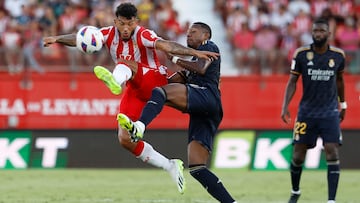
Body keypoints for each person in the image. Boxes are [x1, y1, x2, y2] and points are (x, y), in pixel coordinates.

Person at [43, 2, 219, 194]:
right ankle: (169, 165)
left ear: (136, 21)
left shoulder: (143, 34)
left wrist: (194, 52)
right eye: (122, 24)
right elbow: (80, 38)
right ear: (115, 21)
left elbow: (167, 45)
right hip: (134, 87)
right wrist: (57, 38)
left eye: (130, 24)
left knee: (126, 62)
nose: (126, 29)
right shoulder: (108, 33)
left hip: (154, 79)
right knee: (125, 139)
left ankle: (114, 81)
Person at [117, 22, 237, 203]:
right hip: (207, 110)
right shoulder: (193, 62)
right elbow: (174, 79)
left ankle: (140, 127)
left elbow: (201, 68)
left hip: (206, 95)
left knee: (161, 93)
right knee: (197, 168)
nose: (188, 35)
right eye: (187, 32)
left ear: (205, 35)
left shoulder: (209, 47)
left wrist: (173, 59)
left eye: (193, 32)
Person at [281, 18, 346, 203]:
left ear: (328, 34)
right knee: (298, 155)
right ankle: (295, 191)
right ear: (312, 32)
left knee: (332, 150)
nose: (318, 34)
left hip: (329, 112)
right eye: (315, 31)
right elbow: (292, 81)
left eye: (322, 31)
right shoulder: (301, 54)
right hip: (306, 112)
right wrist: (285, 106)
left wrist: (344, 104)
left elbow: (340, 81)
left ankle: (331, 200)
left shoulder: (338, 55)